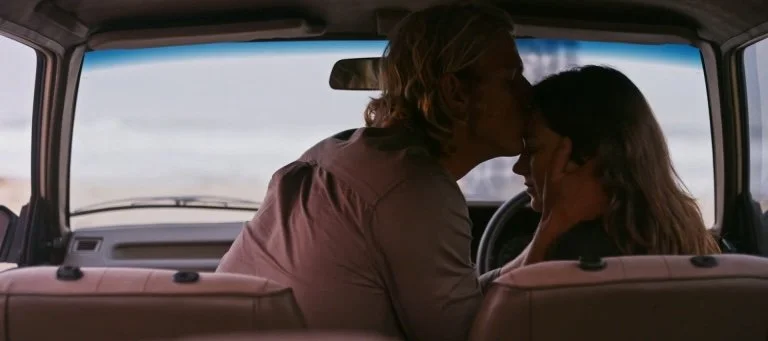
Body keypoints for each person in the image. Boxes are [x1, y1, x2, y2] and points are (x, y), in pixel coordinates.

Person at [216, 2, 540, 341]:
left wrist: (550, 229)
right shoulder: (415, 190)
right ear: (455, 93)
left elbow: (465, 304)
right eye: (511, 78)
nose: (528, 93)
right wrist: (556, 223)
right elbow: (469, 336)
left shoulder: (338, 152)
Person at [505, 65, 721, 268]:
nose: (519, 167)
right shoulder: (687, 233)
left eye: (533, 149)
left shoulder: (574, 255)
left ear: (585, 155)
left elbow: (511, 295)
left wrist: (550, 228)